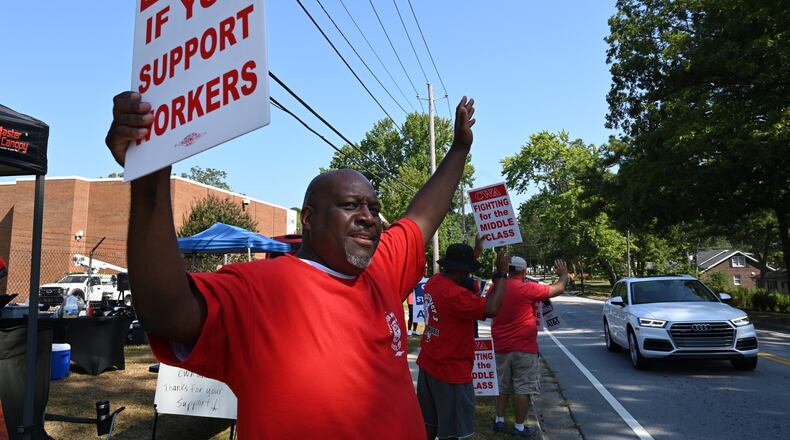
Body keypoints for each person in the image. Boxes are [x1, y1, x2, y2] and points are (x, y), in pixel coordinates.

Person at [105, 91, 477, 438]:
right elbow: (167, 312)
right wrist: (150, 180)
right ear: (309, 218)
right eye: (351, 205)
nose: (369, 217)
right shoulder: (258, 288)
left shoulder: (382, 269)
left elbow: (422, 215)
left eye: (374, 208)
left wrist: (459, 149)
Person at [416, 244, 509, 439]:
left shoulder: (434, 282)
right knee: (453, 432)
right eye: (467, 270)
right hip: (451, 372)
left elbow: (474, 298)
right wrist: (502, 274)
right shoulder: (455, 295)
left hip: (428, 363)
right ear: (462, 270)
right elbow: (492, 308)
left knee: (429, 422)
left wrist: (476, 254)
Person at [491, 256, 568, 437]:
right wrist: (563, 274)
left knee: (502, 385)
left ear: (509, 270)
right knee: (523, 388)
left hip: (501, 345)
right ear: (524, 272)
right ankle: (519, 427)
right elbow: (559, 288)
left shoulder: (497, 287)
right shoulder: (529, 289)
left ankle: (499, 420)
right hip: (525, 347)